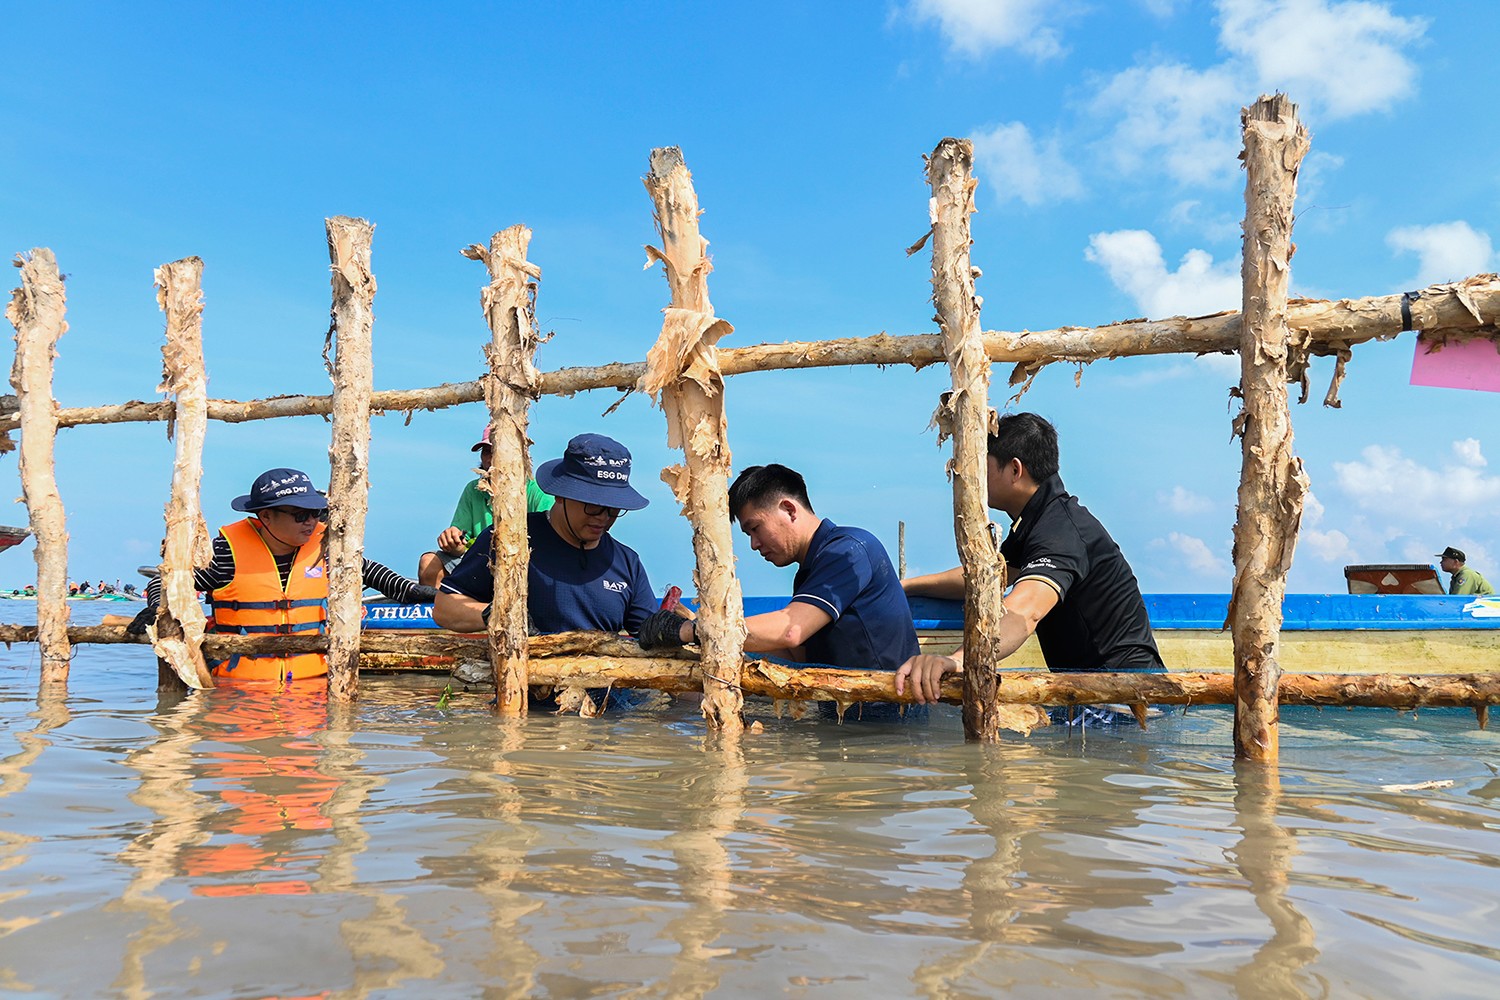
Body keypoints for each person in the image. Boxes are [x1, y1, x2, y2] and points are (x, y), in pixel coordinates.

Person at [896, 412, 1163, 705]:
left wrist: (959, 661)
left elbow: (1025, 611)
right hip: (1099, 691)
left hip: (1124, 700)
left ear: (1014, 470)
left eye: (981, 468)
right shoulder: (1038, 521)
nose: (973, 479)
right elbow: (988, 576)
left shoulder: (1060, 531)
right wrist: (907, 586)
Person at [434, 433, 683, 709]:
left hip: (601, 722)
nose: (603, 517)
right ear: (561, 494)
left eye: (613, 509)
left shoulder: (626, 563)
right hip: (524, 711)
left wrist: (681, 631)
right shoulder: (510, 540)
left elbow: (651, 643)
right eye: (593, 505)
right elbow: (444, 608)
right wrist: (499, 614)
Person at [134, 468, 435, 682]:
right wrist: (154, 605)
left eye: (316, 513)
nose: (311, 522)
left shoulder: (325, 547)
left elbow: (371, 573)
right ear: (265, 516)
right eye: (300, 515)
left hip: (311, 686)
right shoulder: (228, 553)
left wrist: (424, 594)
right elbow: (168, 580)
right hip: (240, 691)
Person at [648, 464, 919, 677]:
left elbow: (791, 630)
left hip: (885, 719)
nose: (754, 545)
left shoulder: (847, 551)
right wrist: (706, 639)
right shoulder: (810, 570)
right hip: (845, 719)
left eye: (755, 529)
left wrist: (689, 630)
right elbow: (797, 655)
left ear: (789, 509)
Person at [417, 425, 554, 587]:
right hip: (478, 564)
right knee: (429, 564)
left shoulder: (535, 490)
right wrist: (452, 542)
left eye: (498, 451)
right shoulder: (473, 490)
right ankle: (446, 610)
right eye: (487, 452)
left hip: (523, 566)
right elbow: (462, 546)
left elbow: (547, 542)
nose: (491, 458)